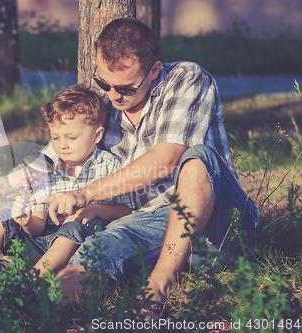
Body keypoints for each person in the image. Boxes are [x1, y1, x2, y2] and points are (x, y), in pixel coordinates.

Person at [26, 17, 259, 317]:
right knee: (97, 251)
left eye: (125, 87)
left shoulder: (187, 79)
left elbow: (165, 161)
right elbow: (48, 159)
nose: (113, 95)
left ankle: (158, 288)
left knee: (198, 158)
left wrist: (84, 194)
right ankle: (32, 309)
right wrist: (25, 175)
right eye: (103, 83)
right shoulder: (102, 106)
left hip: (218, 225)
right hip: (146, 222)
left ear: (153, 70)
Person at [0, 84, 135, 283]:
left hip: (76, 247)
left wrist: (95, 210)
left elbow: (127, 211)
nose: (62, 145)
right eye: (55, 137)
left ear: (97, 135)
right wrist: (27, 220)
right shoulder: (45, 169)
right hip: (40, 242)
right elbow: (38, 227)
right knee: (3, 218)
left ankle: (31, 280)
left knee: (74, 220)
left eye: (71, 137)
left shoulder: (110, 166)